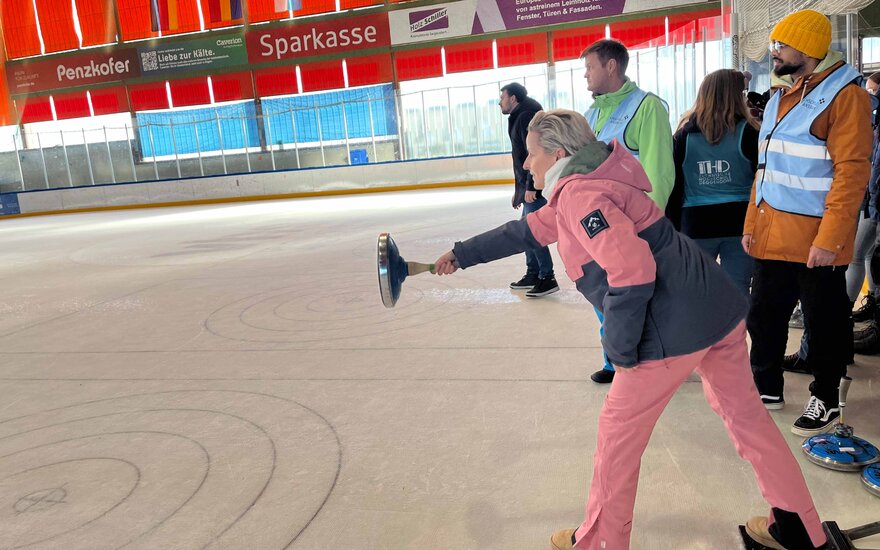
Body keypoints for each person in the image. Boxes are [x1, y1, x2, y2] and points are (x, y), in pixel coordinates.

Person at [430, 109, 826, 550]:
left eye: (531, 153)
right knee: (749, 420)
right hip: (717, 313)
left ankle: (601, 541)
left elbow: (633, 272)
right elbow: (524, 232)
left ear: (558, 155)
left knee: (617, 440)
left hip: (671, 332)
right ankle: (798, 526)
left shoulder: (580, 196)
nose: (525, 163)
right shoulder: (595, 182)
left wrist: (619, 347)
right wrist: (461, 254)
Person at [743, 9, 872, 436]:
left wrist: (831, 240)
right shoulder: (781, 96)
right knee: (763, 315)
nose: (775, 52)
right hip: (771, 232)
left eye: (782, 44)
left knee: (825, 323)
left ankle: (826, 396)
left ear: (808, 49)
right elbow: (765, 170)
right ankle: (765, 386)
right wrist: (751, 225)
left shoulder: (846, 96)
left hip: (817, 238)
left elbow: (851, 174)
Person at [580, 38, 675, 384]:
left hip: (634, 224)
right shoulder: (591, 113)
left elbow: (659, 172)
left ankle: (653, 360)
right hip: (599, 224)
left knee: (638, 294)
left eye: (589, 67)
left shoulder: (647, 107)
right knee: (603, 293)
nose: (585, 75)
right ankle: (614, 359)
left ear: (611, 66)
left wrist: (650, 227)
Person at [666, 69, 759, 296]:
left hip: (695, 223)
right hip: (740, 223)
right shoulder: (749, 133)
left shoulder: (683, 137)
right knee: (738, 290)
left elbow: (674, 187)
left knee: (697, 292)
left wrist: (673, 228)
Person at [498, 82, 558, 298]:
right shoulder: (520, 116)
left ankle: (547, 277)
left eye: (502, 98)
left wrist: (531, 186)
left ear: (513, 98)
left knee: (532, 230)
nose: (500, 102)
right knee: (527, 229)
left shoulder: (526, 116)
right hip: (528, 185)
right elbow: (522, 157)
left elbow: (535, 153)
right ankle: (533, 272)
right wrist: (520, 190)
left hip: (535, 185)